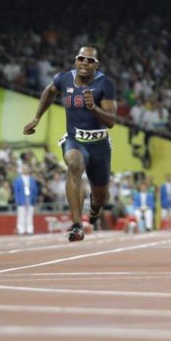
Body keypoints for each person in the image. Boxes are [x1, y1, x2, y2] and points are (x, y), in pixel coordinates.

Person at [23, 45, 117, 242]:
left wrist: (93, 108)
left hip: (99, 143)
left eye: (90, 61)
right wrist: (36, 118)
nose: (85, 63)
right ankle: (76, 225)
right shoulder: (63, 78)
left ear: (96, 65)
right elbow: (49, 92)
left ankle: (94, 211)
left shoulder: (105, 84)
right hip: (75, 140)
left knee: (101, 197)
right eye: (81, 58)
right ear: (76, 60)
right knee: (74, 165)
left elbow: (111, 121)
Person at [13, 165, 39, 235]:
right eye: (24, 169)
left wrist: (35, 199)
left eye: (27, 169)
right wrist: (17, 200)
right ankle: (21, 230)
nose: (26, 170)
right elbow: (16, 191)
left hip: (30, 199)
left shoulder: (32, 179)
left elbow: (35, 190)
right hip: (21, 199)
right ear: (22, 170)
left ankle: (30, 230)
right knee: (21, 215)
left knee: (30, 216)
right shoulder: (18, 180)